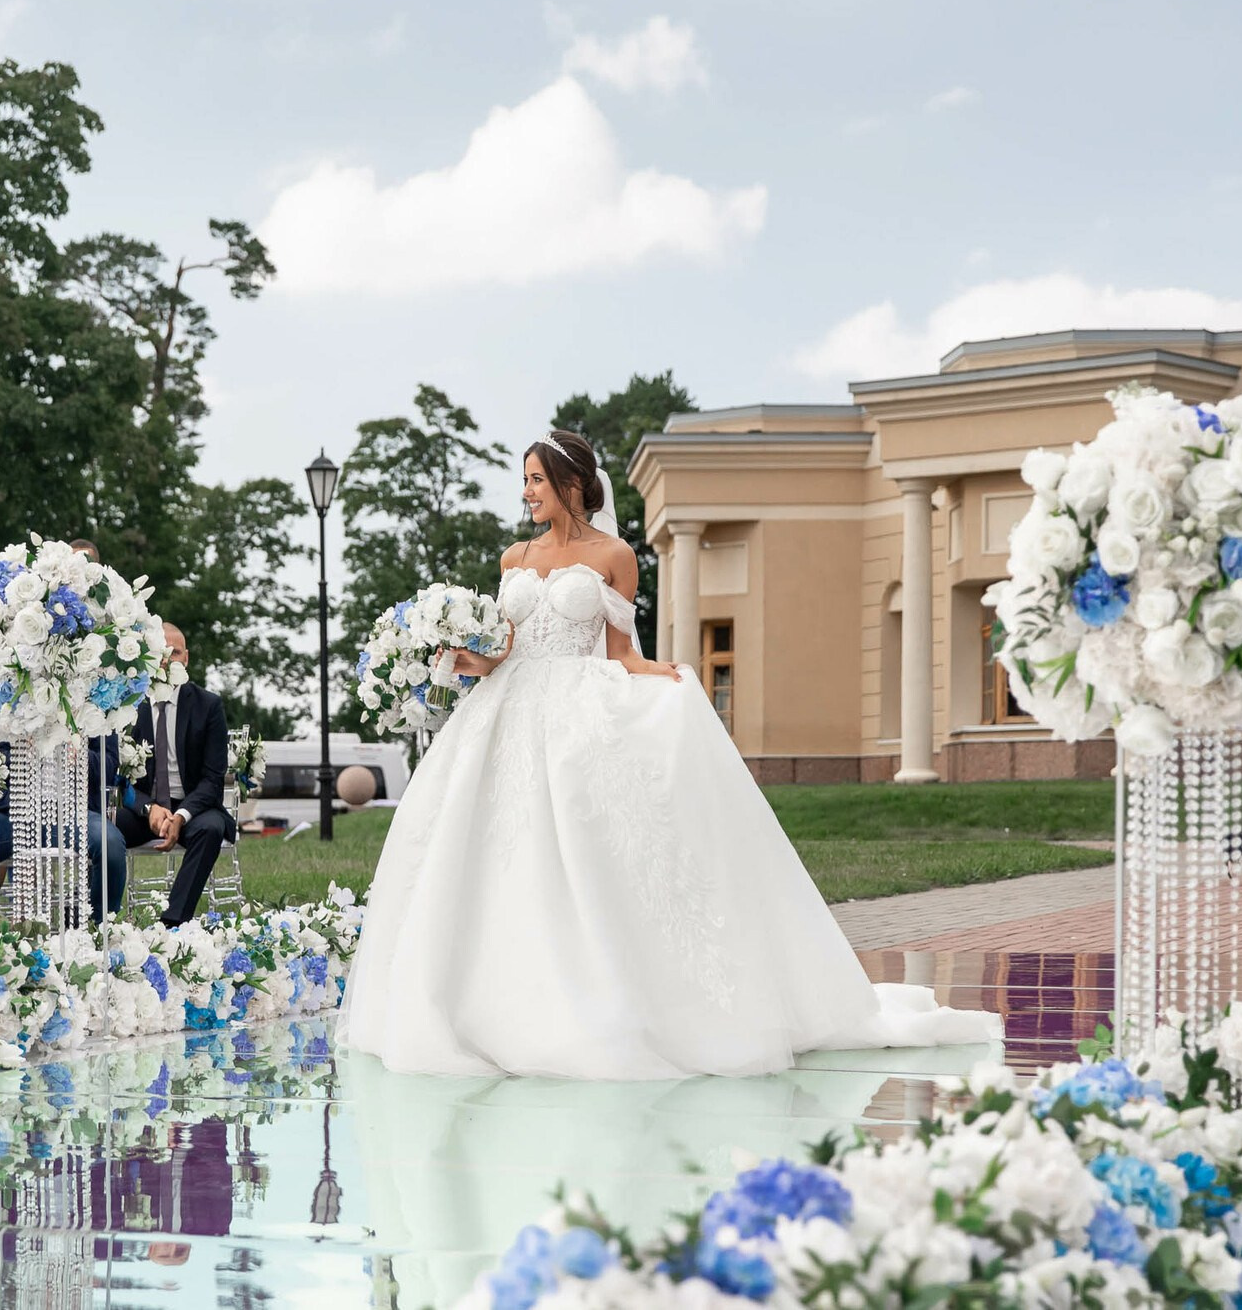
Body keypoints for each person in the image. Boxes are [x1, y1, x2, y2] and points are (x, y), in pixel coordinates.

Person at [338, 430, 1000, 1080]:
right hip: (504, 708)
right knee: (485, 846)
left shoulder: (615, 555)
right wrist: (464, 660)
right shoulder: (515, 557)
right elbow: (506, 647)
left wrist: (666, 675)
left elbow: (621, 652)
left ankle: (596, 1000)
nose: (527, 491)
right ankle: (473, 1005)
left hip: (575, 704)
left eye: (537, 478)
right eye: (526, 479)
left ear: (571, 483)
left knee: (580, 841)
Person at [117, 624, 233, 926]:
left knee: (211, 829)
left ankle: (172, 923)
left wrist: (180, 816)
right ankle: (105, 919)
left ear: (187, 659)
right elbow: (119, 779)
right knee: (106, 829)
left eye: (176, 652)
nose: (168, 659)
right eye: (161, 653)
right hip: (143, 808)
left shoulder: (208, 706)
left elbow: (212, 779)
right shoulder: (128, 707)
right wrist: (148, 808)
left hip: (194, 808)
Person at [0, 737, 125, 924]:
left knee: (110, 843)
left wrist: (81, 756)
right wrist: (21, 753)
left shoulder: (96, 707)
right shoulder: (13, 707)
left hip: (75, 812)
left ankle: (101, 931)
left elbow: (110, 765)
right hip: (17, 812)